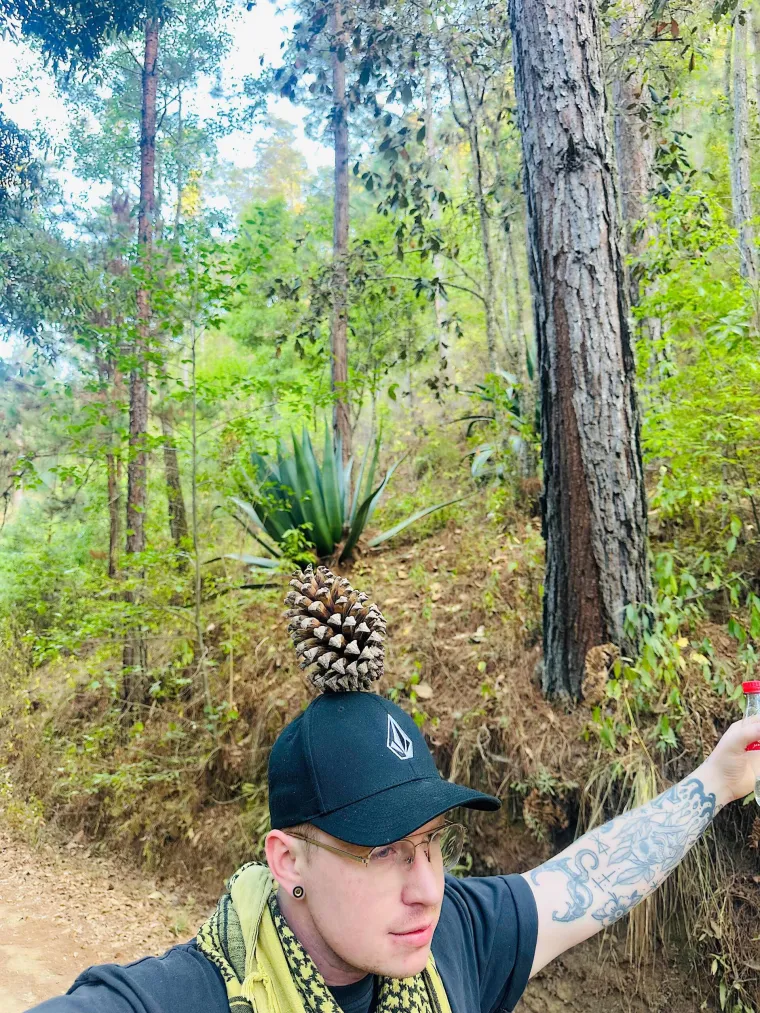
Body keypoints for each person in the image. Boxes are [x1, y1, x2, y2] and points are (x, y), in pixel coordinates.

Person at [28, 566, 760, 1013]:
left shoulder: (454, 938)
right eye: (382, 850)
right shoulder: (192, 995)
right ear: (287, 860)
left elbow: (587, 880)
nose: (428, 889)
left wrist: (717, 780)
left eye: (431, 844)